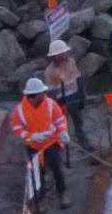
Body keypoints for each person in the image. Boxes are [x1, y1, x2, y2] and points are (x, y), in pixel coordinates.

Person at [9, 74, 71, 202]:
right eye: (41, 93)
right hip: (32, 145)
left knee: (57, 168)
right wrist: (31, 136)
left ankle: (62, 193)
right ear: (34, 95)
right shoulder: (19, 110)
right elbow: (17, 129)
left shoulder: (50, 104)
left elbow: (60, 120)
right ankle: (41, 196)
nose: (44, 94)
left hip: (51, 142)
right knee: (38, 172)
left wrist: (63, 132)